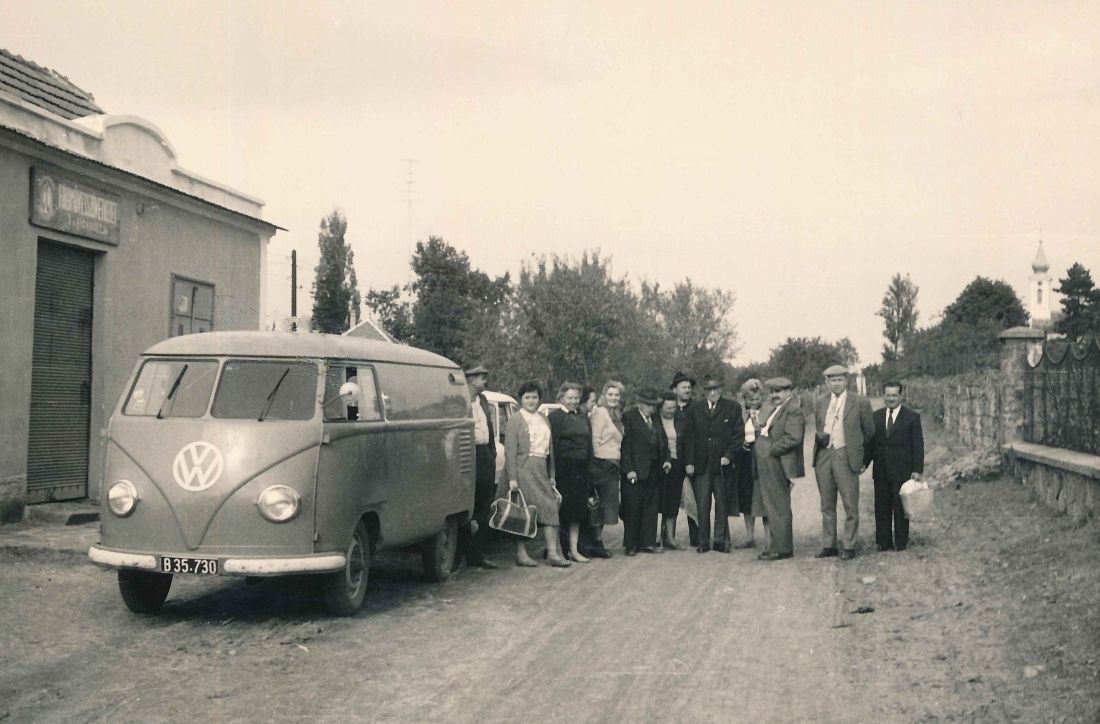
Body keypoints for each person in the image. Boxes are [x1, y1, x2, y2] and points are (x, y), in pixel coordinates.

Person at [813, 365, 876, 561]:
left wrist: (862, 458)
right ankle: (829, 544)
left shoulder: (860, 402)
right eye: (832, 380)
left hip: (846, 455)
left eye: (840, 379)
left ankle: (849, 544)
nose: (836, 384)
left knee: (850, 503)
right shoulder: (821, 402)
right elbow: (819, 425)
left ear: (846, 381)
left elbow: (869, 432)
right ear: (827, 382)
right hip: (824, 455)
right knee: (827, 503)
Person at [503, 381, 570, 567]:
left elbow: (550, 451)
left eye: (534, 397)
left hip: (541, 468)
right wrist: (512, 478)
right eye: (527, 397)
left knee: (550, 507)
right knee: (522, 511)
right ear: (521, 399)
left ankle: (553, 554)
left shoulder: (544, 418)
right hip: (523, 469)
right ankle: (521, 554)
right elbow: (510, 451)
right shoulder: (515, 419)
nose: (531, 401)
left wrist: (552, 474)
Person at [684, 375, 744, 553]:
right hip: (701, 465)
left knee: (722, 503)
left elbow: (738, 436)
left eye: (716, 389)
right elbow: (689, 437)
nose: (713, 392)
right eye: (709, 389)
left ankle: (720, 541)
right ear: (704, 391)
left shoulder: (732, 408)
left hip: (722, 464)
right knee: (702, 504)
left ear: (721, 389)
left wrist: (728, 455)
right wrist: (689, 462)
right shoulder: (695, 409)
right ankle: (703, 541)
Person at [864, 380, 924, 552]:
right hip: (881, 469)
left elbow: (918, 445)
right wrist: (864, 463)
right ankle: (883, 542)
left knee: (900, 507)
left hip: (902, 469)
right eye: (888, 395)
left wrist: (917, 469)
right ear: (883, 395)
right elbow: (871, 444)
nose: (891, 399)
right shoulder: (876, 416)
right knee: (881, 507)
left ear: (901, 396)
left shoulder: (912, 417)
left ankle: (901, 541)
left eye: (894, 395)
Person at [754, 377, 805, 561]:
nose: (775, 395)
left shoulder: (793, 409)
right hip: (768, 462)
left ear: (788, 392)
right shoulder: (775, 409)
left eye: (779, 391)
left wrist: (770, 450)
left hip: (777, 462)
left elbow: (794, 438)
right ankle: (776, 545)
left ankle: (782, 548)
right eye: (772, 392)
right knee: (771, 503)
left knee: (778, 504)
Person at [547, 381, 594, 562]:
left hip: (580, 471)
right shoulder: (555, 417)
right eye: (570, 398)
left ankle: (574, 550)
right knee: (560, 512)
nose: (574, 401)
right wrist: (552, 473)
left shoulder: (583, 417)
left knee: (577, 512)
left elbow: (589, 445)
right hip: (562, 470)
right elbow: (552, 447)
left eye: (576, 398)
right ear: (561, 398)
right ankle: (557, 551)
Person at [459, 365, 499, 569]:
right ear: (472, 379)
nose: (485, 381)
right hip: (467, 454)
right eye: (482, 377)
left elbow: (489, 428)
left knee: (484, 503)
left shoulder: (483, 400)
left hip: (484, 455)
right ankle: (458, 555)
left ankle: (476, 555)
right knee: (465, 503)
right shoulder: (459, 399)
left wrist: (492, 453)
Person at [619, 388, 665, 555]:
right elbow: (625, 446)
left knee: (651, 506)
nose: (651, 408)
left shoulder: (655, 418)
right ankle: (631, 545)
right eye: (648, 405)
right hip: (635, 470)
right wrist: (629, 469)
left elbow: (662, 441)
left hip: (653, 468)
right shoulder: (629, 417)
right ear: (639, 403)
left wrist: (666, 459)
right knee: (632, 507)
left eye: (653, 405)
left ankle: (648, 542)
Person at [585, 380, 624, 559]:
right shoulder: (600, 413)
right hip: (601, 464)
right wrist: (596, 464)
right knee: (597, 507)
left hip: (612, 465)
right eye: (610, 394)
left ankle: (595, 542)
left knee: (606, 507)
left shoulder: (615, 414)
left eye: (617, 395)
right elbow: (595, 439)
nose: (613, 398)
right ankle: (596, 543)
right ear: (604, 396)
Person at [731, 379, 768, 550]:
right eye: (751, 399)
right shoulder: (741, 414)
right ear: (745, 399)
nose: (754, 402)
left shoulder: (768, 412)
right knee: (747, 496)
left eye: (757, 399)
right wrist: (741, 444)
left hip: (762, 456)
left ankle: (769, 538)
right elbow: (735, 433)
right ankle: (749, 537)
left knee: (763, 496)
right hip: (745, 458)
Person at [670, 371, 699, 546]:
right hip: (672, 459)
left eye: (689, 387)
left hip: (690, 460)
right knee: (671, 498)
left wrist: (691, 461)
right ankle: (668, 537)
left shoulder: (696, 408)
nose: (687, 390)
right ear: (675, 389)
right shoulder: (668, 407)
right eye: (683, 387)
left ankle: (696, 537)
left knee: (692, 499)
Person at [657, 390, 687, 550]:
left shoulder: (681, 419)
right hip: (658, 464)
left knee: (672, 502)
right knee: (656, 501)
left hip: (676, 464)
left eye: (674, 407)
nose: (671, 411)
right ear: (660, 407)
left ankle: (669, 537)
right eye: (668, 408)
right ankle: (654, 538)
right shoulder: (654, 420)